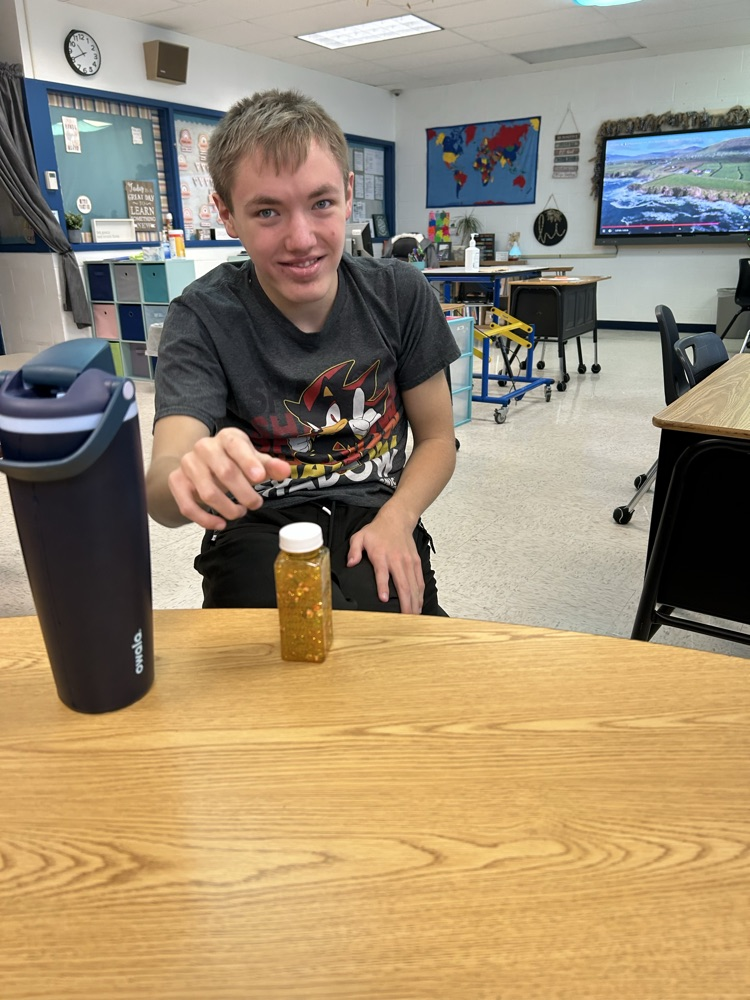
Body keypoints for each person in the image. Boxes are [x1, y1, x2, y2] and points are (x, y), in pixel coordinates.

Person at [146, 88, 460, 616]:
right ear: (226, 214)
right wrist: (189, 480)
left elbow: (437, 440)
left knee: (394, 646)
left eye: (321, 203)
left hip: (377, 514)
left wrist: (399, 518)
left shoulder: (400, 294)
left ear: (349, 193)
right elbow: (163, 484)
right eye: (267, 212)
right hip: (259, 526)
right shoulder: (202, 317)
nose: (301, 238)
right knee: (270, 660)